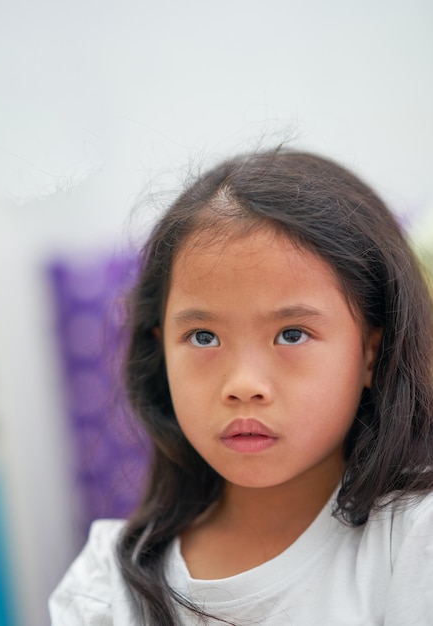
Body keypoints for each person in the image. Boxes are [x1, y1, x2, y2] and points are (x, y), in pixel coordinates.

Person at [50, 147, 433, 625]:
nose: (244, 385)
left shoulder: (415, 544)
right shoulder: (105, 588)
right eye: (203, 337)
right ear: (162, 351)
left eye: (292, 334)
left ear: (371, 352)